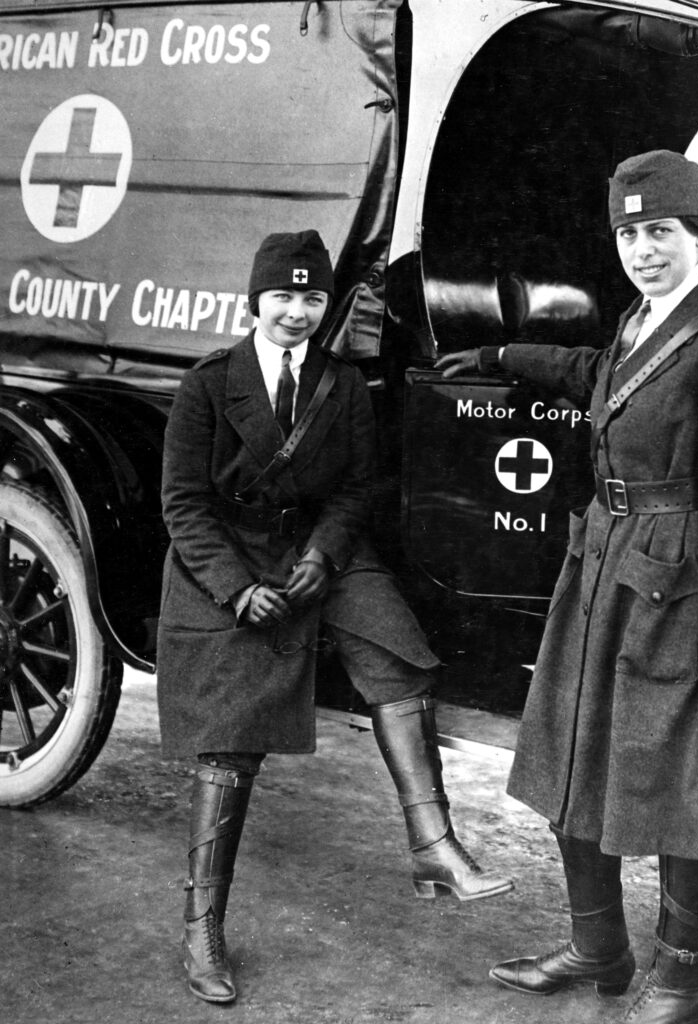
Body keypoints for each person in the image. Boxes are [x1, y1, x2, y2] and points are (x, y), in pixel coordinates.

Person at [435, 150, 698, 1024]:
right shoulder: (643, 322)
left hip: (682, 589)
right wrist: (498, 352)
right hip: (606, 567)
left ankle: (681, 978)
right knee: (573, 754)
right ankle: (598, 947)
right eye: (630, 234)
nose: (643, 249)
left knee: (686, 785)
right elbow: (592, 377)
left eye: (661, 232)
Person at [157, 230, 513, 1005]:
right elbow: (183, 505)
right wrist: (233, 589)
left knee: (399, 654)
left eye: (311, 298)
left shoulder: (340, 383)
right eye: (281, 296)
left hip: (317, 551)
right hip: (229, 562)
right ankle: (202, 928)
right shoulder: (208, 385)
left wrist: (323, 553)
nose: (295, 312)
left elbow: (356, 486)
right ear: (255, 300)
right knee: (232, 733)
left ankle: (433, 845)